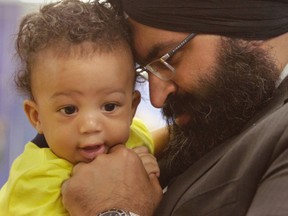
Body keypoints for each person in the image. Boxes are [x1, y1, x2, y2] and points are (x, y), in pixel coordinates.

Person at [36, 0, 288, 216]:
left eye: (169, 59)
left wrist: (115, 209)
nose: (156, 97)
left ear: (241, 21)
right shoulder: (228, 113)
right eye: (147, 71)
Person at [0, 0, 160, 215]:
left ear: (132, 108)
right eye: (69, 110)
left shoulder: (133, 135)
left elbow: (164, 138)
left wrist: (144, 166)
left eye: (110, 106)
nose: (90, 125)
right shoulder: (35, 180)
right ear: (36, 116)